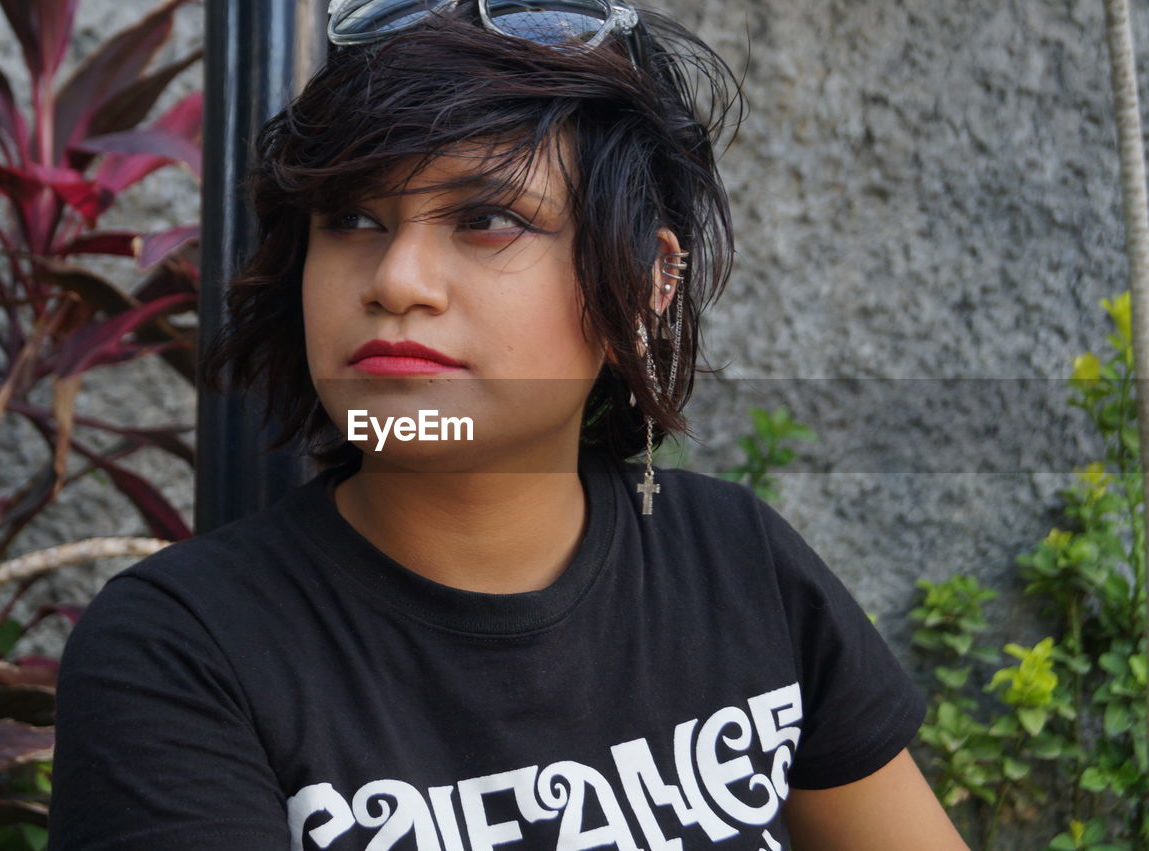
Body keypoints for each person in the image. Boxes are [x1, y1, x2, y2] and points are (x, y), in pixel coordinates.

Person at [49, 1, 970, 848]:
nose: (398, 278)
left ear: (648, 280)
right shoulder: (181, 651)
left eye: (488, 218)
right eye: (354, 218)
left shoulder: (738, 564)